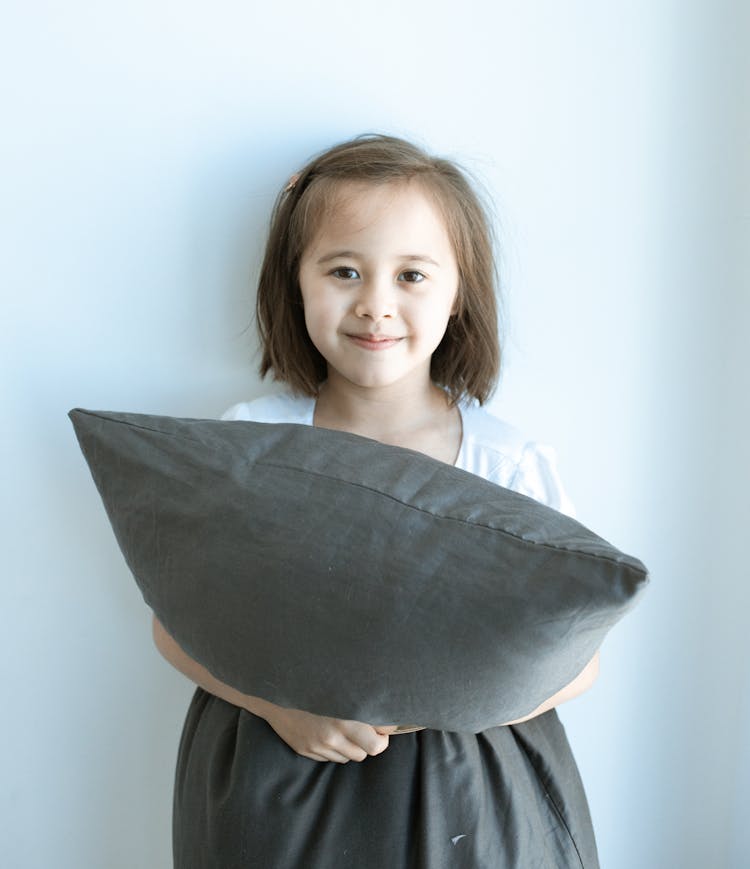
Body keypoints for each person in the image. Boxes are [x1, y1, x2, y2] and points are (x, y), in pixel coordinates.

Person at [153, 133, 601, 867]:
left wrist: (452, 706)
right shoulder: (251, 443)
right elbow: (175, 626)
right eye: (345, 270)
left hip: (471, 794)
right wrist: (279, 708)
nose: (376, 304)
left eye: (413, 274)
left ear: (460, 291)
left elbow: (579, 659)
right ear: (294, 281)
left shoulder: (505, 460)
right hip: (280, 781)